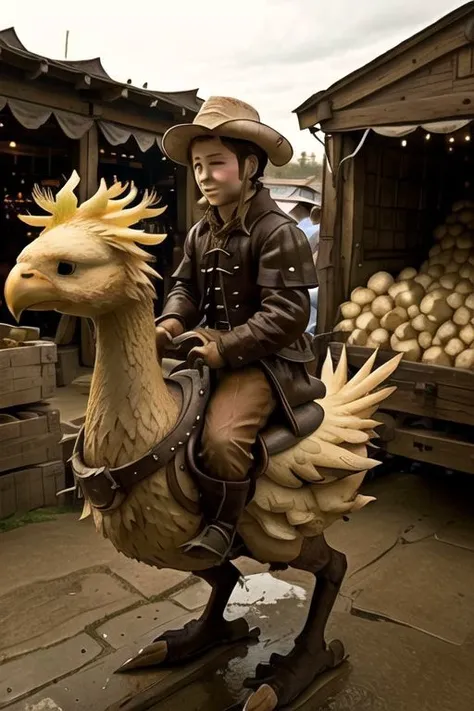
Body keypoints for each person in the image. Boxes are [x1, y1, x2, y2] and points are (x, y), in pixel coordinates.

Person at [155, 96, 319, 561]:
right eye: (198, 165)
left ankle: (225, 527)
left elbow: (288, 313)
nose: (204, 175)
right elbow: (185, 287)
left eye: (217, 163)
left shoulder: (278, 231)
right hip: (206, 349)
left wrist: (226, 348)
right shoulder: (199, 232)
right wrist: (169, 322)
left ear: (249, 166)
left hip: (267, 362)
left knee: (224, 440)